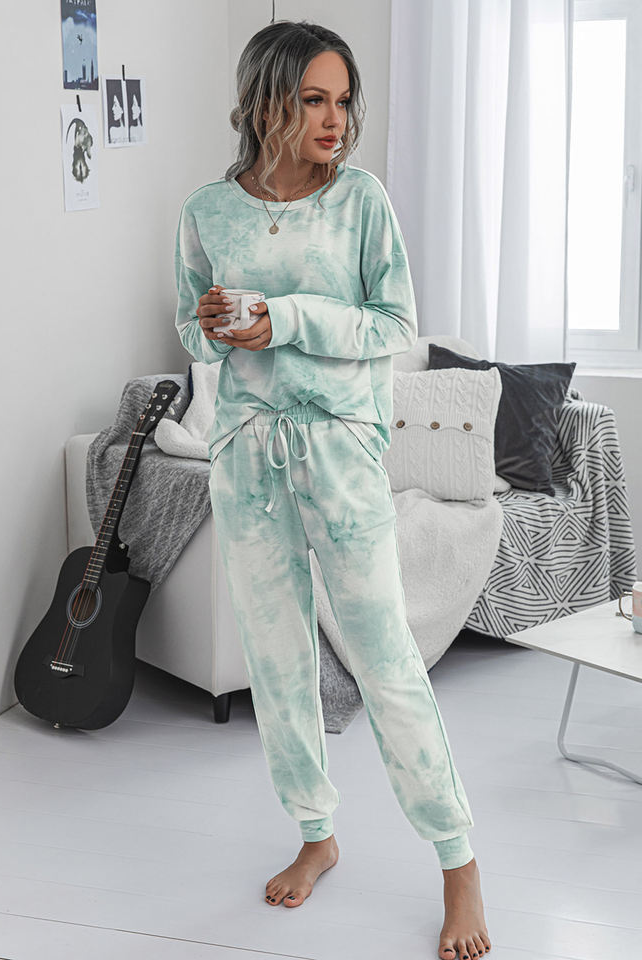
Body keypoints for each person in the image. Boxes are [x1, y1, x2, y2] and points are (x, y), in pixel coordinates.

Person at [173, 19, 491, 960]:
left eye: (343, 100)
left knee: (385, 657)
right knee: (277, 660)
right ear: (264, 100)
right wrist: (210, 326)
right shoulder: (207, 210)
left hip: (342, 454)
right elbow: (190, 329)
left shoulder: (361, 201)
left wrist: (286, 320)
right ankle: (316, 833)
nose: (335, 119)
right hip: (247, 457)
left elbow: (393, 325)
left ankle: (458, 859)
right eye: (314, 99)